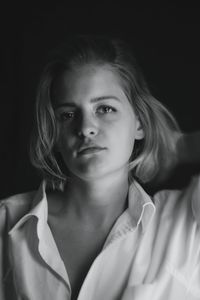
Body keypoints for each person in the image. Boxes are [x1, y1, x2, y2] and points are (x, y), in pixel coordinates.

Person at [0, 35, 199, 300]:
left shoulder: (185, 224)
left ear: (139, 123)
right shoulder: (6, 225)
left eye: (105, 108)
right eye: (67, 115)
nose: (85, 128)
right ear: (53, 133)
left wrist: (182, 147)